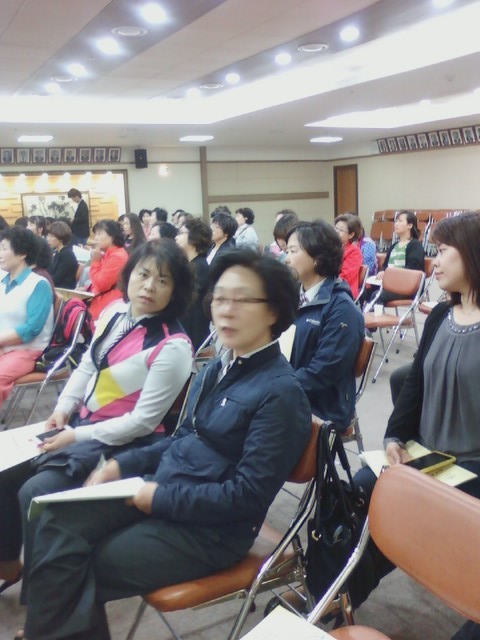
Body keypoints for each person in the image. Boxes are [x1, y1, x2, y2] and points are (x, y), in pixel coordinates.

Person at [21, 250, 312, 640]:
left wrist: (158, 498)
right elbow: (180, 440)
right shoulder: (217, 368)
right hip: (168, 489)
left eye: (242, 300)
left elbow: (246, 497)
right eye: (219, 298)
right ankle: (44, 628)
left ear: (274, 311)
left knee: (83, 559)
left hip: (212, 531)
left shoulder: (281, 394)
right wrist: (123, 466)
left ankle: (42, 628)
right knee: (55, 521)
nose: (225, 311)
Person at [0, 239, 194, 599]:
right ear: (130, 275)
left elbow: (142, 423)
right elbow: (88, 364)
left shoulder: (173, 346)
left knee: (34, 491)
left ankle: (47, 598)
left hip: (126, 445)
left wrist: (74, 435)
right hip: (83, 426)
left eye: (163, 280)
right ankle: (9, 562)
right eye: (143, 274)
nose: (149, 286)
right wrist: (63, 408)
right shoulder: (118, 314)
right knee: (4, 472)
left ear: (176, 290)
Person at [353, 213, 480, 640]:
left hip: (473, 466)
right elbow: (414, 387)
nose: (434, 261)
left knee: (408, 507)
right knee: (361, 488)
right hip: (430, 453)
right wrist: (394, 438)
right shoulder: (442, 314)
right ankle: (337, 593)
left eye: (442, 251)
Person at [285, 221, 364, 432]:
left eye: (293, 251)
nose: (286, 258)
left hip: (322, 406)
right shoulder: (293, 296)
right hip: (291, 392)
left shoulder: (342, 309)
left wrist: (275, 387)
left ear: (318, 258)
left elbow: (323, 371)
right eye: (287, 251)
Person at [0, 227, 54, 412]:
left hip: (28, 350)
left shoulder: (38, 284)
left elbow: (32, 328)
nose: (0, 253)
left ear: (22, 253)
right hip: (5, 347)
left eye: (4, 248)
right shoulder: (3, 282)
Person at [175, 217, 212, 349]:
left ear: (194, 238)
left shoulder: (200, 267)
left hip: (193, 333)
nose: (176, 237)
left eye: (181, 233)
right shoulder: (189, 265)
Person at [375, 210, 425, 304]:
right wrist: (382, 272)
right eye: (396, 221)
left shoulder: (415, 245)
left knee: (377, 295)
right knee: (367, 291)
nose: (396, 224)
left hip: (407, 287)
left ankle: (376, 313)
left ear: (410, 225)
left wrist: (392, 276)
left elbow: (412, 270)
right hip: (391, 284)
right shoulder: (394, 246)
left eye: (400, 221)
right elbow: (386, 266)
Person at [87, 220, 129, 322]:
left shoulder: (117, 257)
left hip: (108, 306)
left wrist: (95, 262)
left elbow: (100, 284)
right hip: (102, 301)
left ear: (112, 236)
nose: (96, 238)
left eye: (99, 234)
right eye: (96, 234)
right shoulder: (109, 253)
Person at [334, 213, 364, 300]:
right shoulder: (331, 247)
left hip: (344, 292)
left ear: (351, 235)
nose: (336, 232)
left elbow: (345, 277)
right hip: (330, 288)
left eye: (341, 230)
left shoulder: (354, 252)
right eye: (335, 228)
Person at [46, 220, 79, 289]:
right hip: (55, 287)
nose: (48, 239)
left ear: (61, 238)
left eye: (51, 236)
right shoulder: (57, 252)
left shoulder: (67, 255)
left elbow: (57, 278)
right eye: (48, 236)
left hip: (63, 290)